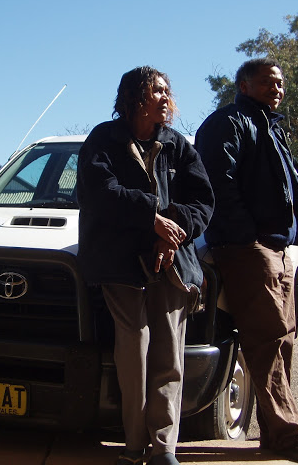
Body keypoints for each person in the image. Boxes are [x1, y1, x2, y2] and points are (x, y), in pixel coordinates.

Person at [195, 57, 298, 462]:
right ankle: (290, 435)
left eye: (281, 83)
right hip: (248, 249)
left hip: (278, 249)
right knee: (268, 339)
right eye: (269, 81)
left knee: (283, 338)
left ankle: (274, 436)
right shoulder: (229, 122)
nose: (278, 88)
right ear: (244, 84)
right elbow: (219, 181)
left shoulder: (271, 128)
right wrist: (246, 236)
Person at [77, 66, 214, 465]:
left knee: (169, 355)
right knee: (134, 352)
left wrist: (171, 233)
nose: (166, 97)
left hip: (171, 262)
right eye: (157, 90)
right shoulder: (103, 140)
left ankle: (163, 448)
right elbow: (100, 193)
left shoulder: (178, 145)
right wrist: (151, 217)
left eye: (167, 90)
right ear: (134, 97)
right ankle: (134, 445)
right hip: (119, 264)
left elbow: (203, 202)